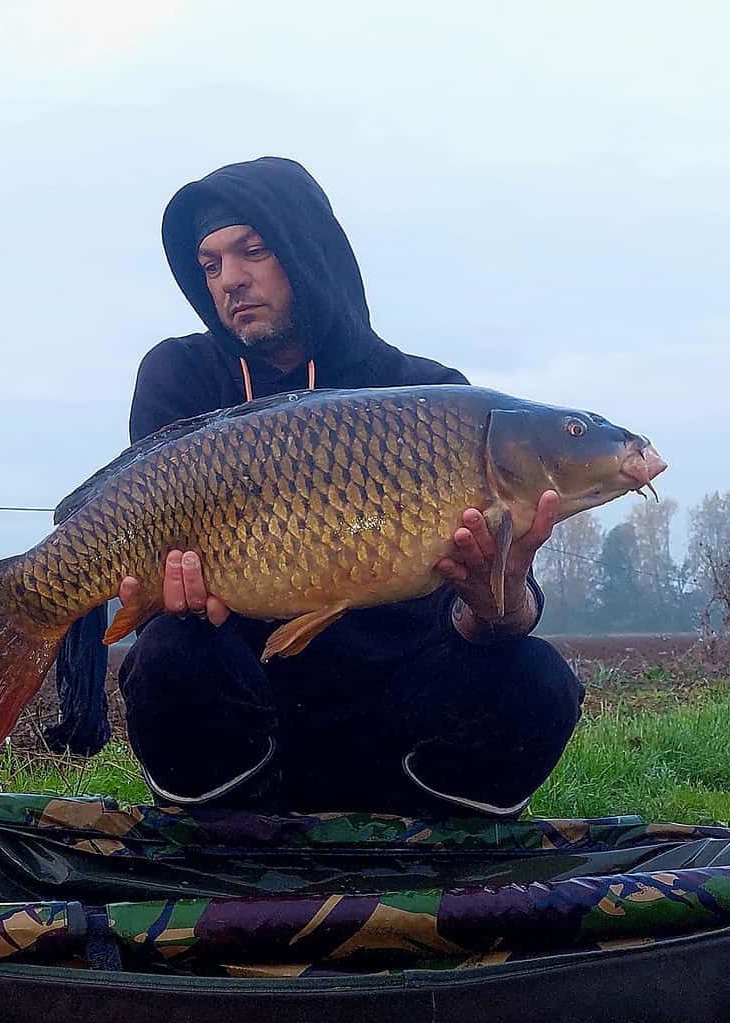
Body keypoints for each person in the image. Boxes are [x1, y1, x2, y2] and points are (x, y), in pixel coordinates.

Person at [59, 156, 584, 816]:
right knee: (170, 654)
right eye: (211, 263)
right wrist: (167, 598)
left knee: (536, 677)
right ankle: (234, 836)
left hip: (399, 713)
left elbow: (503, 607)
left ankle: (438, 849)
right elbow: (145, 543)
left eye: (253, 250)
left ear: (308, 252)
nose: (230, 280)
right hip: (250, 723)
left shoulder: (437, 398)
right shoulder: (180, 376)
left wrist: (495, 605)